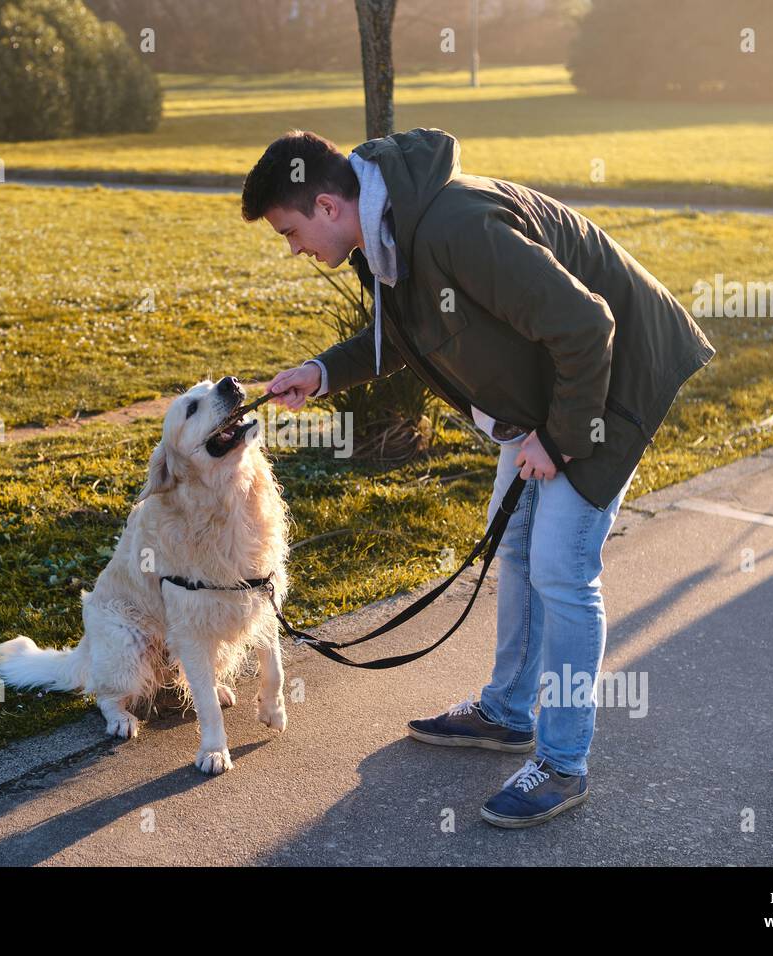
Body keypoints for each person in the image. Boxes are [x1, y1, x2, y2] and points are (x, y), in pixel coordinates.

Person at [241, 127, 715, 828]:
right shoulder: (386, 235)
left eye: (291, 232)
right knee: (518, 549)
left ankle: (562, 764)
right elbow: (403, 336)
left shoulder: (455, 225)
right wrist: (322, 372)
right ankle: (507, 713)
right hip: (544, 398)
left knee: (561, 568)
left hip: (610, 384)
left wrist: (561, 436)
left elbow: (588, 324)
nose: (296, 251)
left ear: (327, 205)